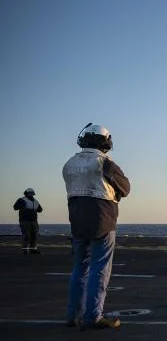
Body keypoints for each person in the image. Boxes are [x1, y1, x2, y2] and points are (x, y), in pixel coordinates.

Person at [62, 123, 131, 329]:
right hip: (102, 217)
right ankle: (93, 316)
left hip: (77, 217)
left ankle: (73, 315)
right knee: (100, 267)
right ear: (105, 142)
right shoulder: (105, 163)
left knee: (79, 267)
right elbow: (125, 188)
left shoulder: (69, 163)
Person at [13, 188, 43, 254]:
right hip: (25, 221)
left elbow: (40, 209)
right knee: (26, 236)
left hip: (34, 221)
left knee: (34, 236)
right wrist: (22, 206)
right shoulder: (22, 200)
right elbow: (15, 207)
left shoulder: (35, 201)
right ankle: (25, 250)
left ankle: (33, 250)